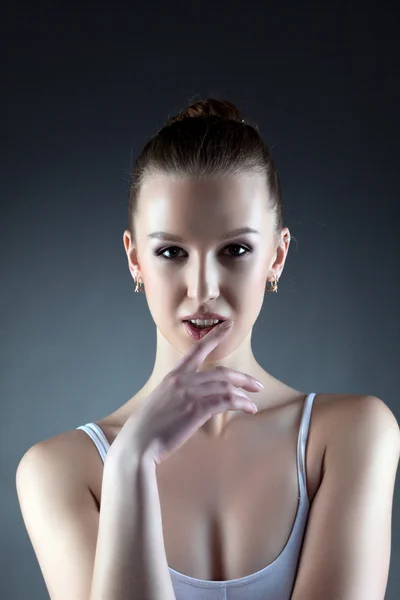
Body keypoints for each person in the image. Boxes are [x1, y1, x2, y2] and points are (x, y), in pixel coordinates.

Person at [16, 97, 400, 600]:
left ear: (276, 257)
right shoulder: (63, 470)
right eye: (171, 252)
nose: (202, 289)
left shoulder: (351, 436)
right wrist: (131, 462)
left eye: (235, 250)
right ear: (135, 260)